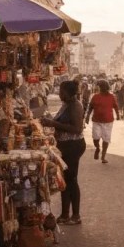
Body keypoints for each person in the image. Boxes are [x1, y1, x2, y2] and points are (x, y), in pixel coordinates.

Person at [41, 80, 86, 225]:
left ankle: (76, 215)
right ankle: (65, 214)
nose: (60, 94)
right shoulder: (67, 104)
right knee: (64, 180)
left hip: (73, 146)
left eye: (62, 91)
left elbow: (77, 128)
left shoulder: (75, 106)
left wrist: (53, 123)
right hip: (65, 146)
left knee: (71, 180)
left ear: (68, 92)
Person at [85, 80, 120, 164]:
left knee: (106, 139)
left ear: (106, 87)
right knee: (95, 138)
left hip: (108, 122)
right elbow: (90, 107)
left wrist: (118, 115)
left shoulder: (112, 97)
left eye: (102, 87)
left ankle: (103, 157)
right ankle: (97, 148)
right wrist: (87, 116)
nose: (101, 88)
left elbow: (115, 106)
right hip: (97, 121)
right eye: (100, 87)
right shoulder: (95, 96)